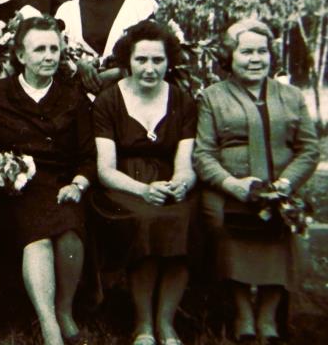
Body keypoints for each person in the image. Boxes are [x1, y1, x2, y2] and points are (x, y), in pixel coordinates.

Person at [193, 19, 320, 344]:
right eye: (246, 52)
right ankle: (242, 312)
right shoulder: (211, 97)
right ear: (230, 56)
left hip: (282, 190)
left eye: (261, 52)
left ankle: (268, 313)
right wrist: (232, 184)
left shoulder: (291, 96)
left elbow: (309, 149)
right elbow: (203, 154)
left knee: (285, 224)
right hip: (230, 190)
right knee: (220, 221)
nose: (255, 59)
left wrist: (286, 183)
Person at [0, 16, 95, 345]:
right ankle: (49, 324)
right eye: (40, 49)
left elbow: (88, 156)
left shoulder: (72, 96)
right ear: (20, 55)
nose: (48, 56)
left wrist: (78, 184)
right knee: (38, 236)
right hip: (16, 190)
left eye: (54, 49)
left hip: (62, 184)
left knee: (70, 231)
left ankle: (65, 310)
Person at [90, 21, 198, 345]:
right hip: (124, 187)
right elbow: (105, 169)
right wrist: (143, 190)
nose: (150, 68)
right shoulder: (108, 101)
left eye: (158, 60)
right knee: (146, 220)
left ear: (169, 61)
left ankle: (166, 323)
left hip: (169, 184)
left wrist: (181, 184)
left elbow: (186, 163)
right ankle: (144, 324)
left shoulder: (182, 100)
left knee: (182, 219)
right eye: (141, 60)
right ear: (128, 61)